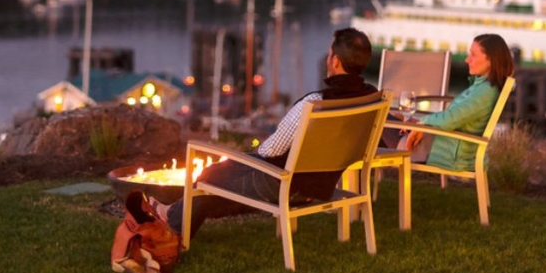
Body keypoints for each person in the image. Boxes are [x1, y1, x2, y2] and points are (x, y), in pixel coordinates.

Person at [151, 27, 378, 237]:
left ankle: (172, 227)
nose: (328, 58)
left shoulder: (316, 102)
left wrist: (249, 157)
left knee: (210, 176)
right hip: (322, 185)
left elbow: (271, 150)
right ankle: (171, 213)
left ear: (336, 61)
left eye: (329, 54)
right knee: (222, 174)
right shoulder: (371, 97)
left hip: (284, 185)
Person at [392, 33, 514, 170]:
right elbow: (454, 118)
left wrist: (422, 123)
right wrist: (422, 125)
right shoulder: (482, 87)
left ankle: (369, 185)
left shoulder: (484, 92)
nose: (467, 60)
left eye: (473, 55)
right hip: (441, 143)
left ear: (491, 60)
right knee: (386, 122)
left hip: (442, 153)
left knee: (377, 127)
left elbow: (450, 119)